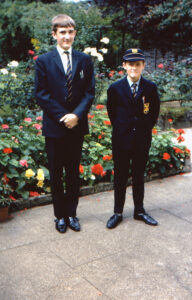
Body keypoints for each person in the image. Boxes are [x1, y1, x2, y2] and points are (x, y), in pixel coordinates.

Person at [35, 14, 95, 233]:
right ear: (54, 35)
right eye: (62, 32)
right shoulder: (43, 61)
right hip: (55, 126)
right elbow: (41, 94)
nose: (67, 36)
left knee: (72, 172)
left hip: (76, 126)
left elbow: (89, 93)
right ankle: (59, 216)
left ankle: (72, 213)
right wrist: (64, 116)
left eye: (70, 32)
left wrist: (76, 116)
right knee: (56, 173)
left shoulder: (84, 60)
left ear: (75, 33)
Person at [106, 48, 160, 229]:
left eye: (138, 64)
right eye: (130, 64)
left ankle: (139, 210)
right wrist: (124, 129)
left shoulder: (150, 88)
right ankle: (117, 212)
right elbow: (112, 113)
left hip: (141, 139)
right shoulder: (115, 88)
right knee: (120, 176)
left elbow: (153, 114)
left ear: (143, 65)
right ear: (124, 66)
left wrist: (142, 130)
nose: (134, 68)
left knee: (138, 175)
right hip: (121, 140)